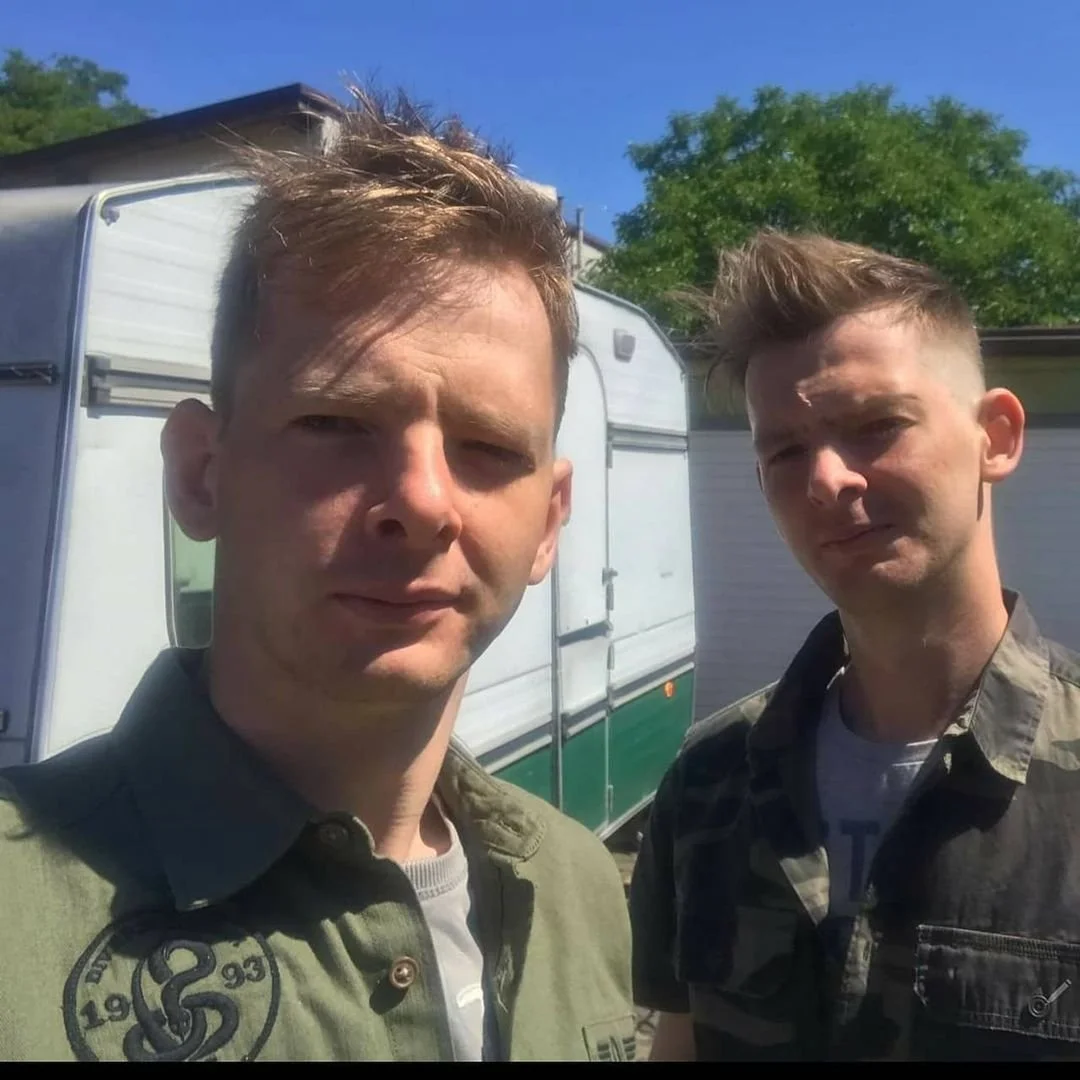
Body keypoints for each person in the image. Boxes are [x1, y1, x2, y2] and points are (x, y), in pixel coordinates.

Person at [0, 90, 634, 1063]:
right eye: (336, 422)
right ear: (201, 475)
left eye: (488, 446)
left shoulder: (581, 887)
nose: (423, 501)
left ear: (550, 522)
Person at [631, 231, 1080, 1061]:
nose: (826, 480)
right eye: (786, 450)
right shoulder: (707, 783)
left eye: (876, 425)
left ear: (998, 437)